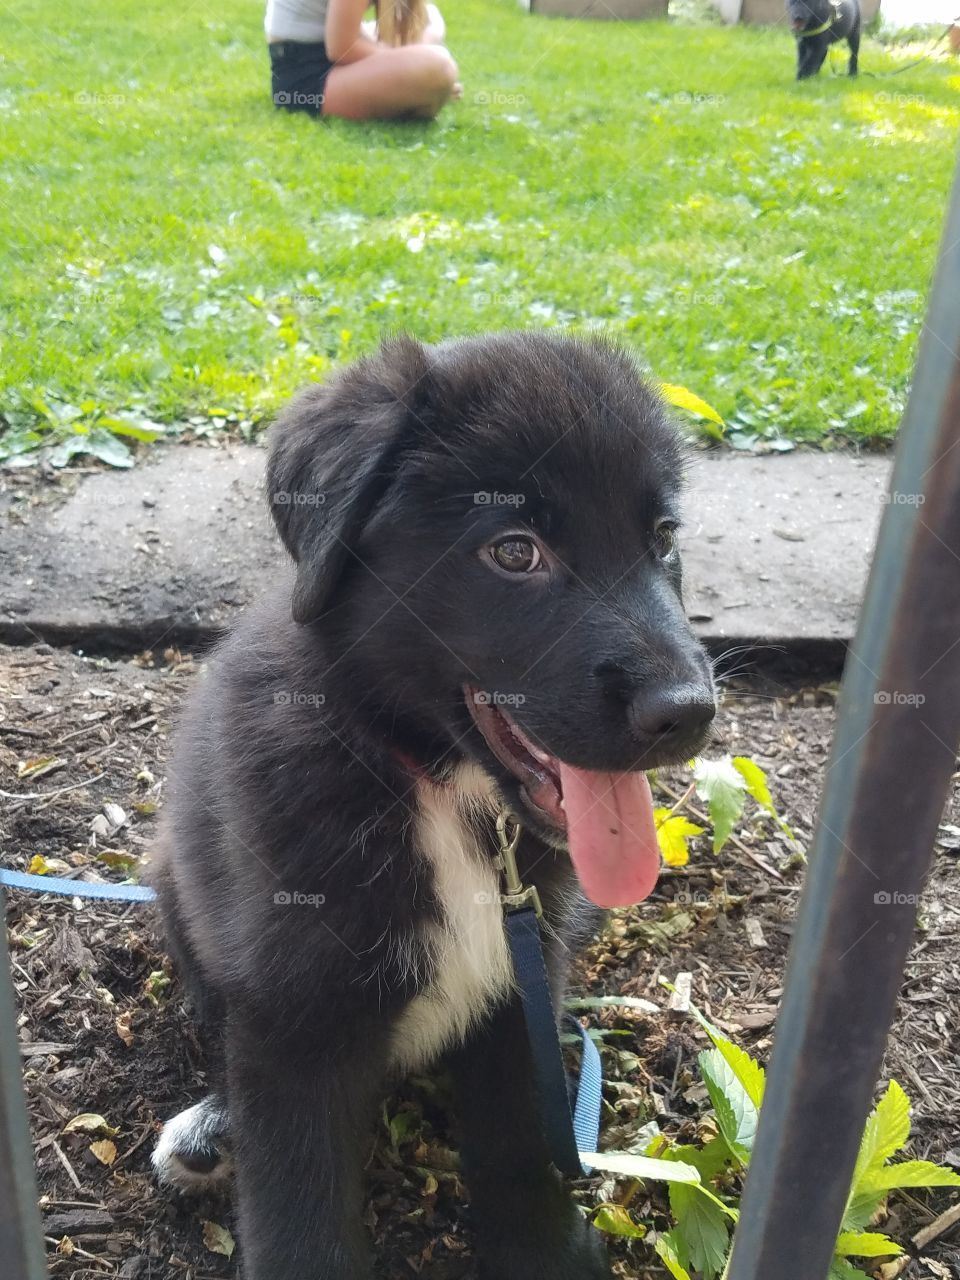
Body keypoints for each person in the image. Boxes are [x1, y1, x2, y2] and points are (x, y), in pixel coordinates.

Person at [266, 0, 461, 121]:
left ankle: (419, 91)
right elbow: (343, 49)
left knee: (431, 23)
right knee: (439, 66)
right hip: (307, 81)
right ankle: (420, 93)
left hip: (321, 59)